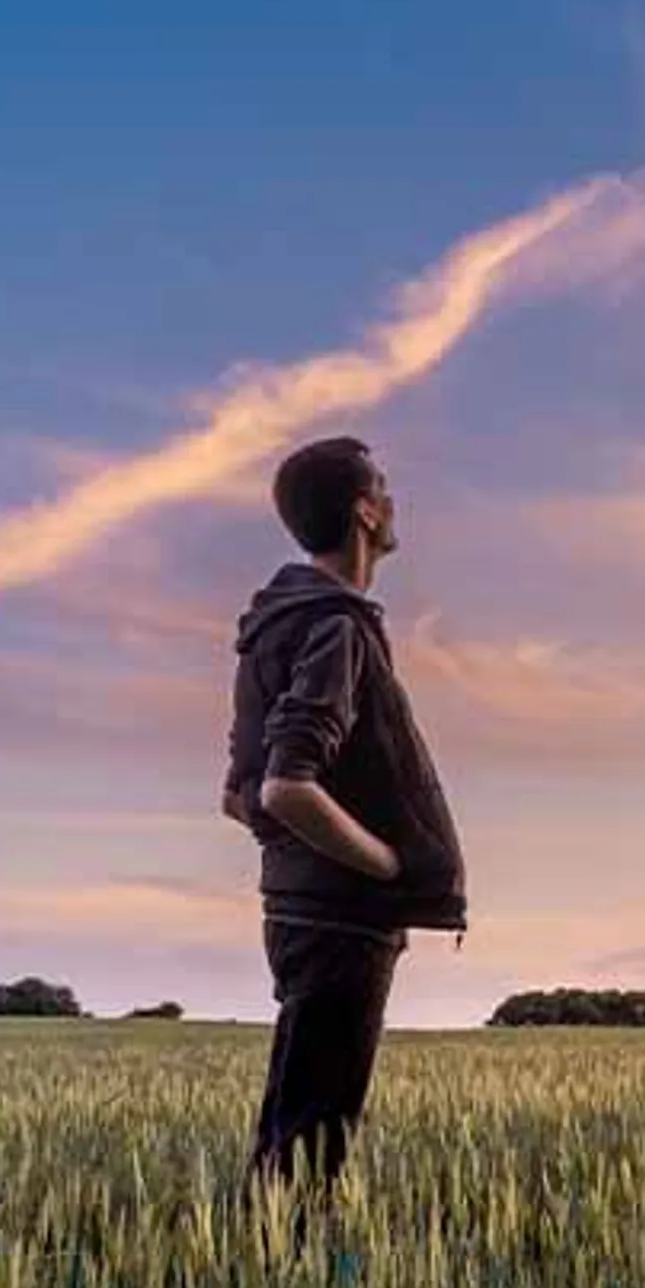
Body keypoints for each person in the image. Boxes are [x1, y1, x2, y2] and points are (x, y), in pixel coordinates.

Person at [220, 436, 467, 1207]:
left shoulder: (272, 627)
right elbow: (283, 789)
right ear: (365, 512)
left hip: (297, 908)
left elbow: (239, 791)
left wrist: (296, 860)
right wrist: (385, 866)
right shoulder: (336, 626)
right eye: (384, 490)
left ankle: (261, 1280)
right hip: (342, 917)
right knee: (315, 1144)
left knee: (295, 1127)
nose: (393, 503)